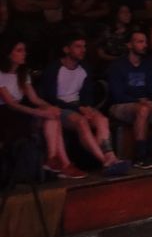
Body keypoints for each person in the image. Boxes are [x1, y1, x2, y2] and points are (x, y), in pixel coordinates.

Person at [40, 33, 130, 176]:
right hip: (61, 108)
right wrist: (78, 109)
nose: (83, 50)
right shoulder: (54, 69)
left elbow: (87, 94)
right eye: (78, 46)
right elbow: (50, 99)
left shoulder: (85, 68)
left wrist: (87, 108)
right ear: (66, 49)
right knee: (81, 122)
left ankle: (111, 156)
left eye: (84, 46)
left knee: (102, 120)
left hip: (79, 106)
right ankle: (105, 161)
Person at [0, 38, 85, 179]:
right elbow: (11, 104)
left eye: (24, 50)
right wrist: (39, 112)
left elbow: (34, 99)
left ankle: (54, 159)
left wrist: (50, 107)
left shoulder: (22, 74)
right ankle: (64, 164)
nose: (24, 53)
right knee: (47, 116)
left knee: (53, 116)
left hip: (21, 112)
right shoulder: (1, 74)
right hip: (6, 115)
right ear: (9, 54)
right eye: (19, 51)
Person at [107, 30, 152, 169]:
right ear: (129, 45)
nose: (144, 45)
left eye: (145, 42)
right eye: (140, 42)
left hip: (145, 104)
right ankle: (140, 156)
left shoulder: (148, 64)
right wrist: (139, 101)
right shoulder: (117, 66)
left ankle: (148, 149)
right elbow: (117, 95)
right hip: (121, 105)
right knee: (143, 110)